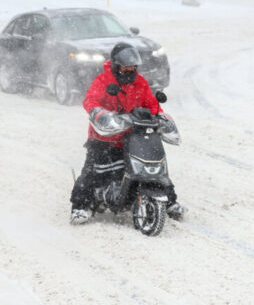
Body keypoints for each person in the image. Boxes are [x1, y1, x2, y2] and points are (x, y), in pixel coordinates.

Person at [69, 42, 186, 225]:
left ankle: (170, 201)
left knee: (153, 168)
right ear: (116, 64)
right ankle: (80, 207)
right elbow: (90, 100)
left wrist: (160, 116)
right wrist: (100, 114)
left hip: (134, 137)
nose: (129, 69)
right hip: (104, 137)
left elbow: (151, 104)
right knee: (92, 173)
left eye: (132, 66)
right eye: (125, 66)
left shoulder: (140, 82)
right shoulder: (103, 81)